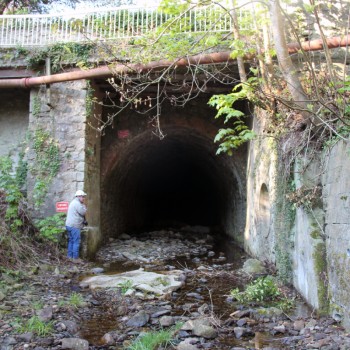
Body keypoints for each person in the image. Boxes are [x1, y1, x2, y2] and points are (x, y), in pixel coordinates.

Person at [65, 190, 87, 262]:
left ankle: (69, 257)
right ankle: (75, 258)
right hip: (75, 226)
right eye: (83, 197)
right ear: (78, 196)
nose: (84, 198)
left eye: (84, 197)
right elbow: (83, 212)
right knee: (76, 242)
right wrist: (84, 206)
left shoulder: (73, 202)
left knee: (71, 241)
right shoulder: (77, 204)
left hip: (69, 225)